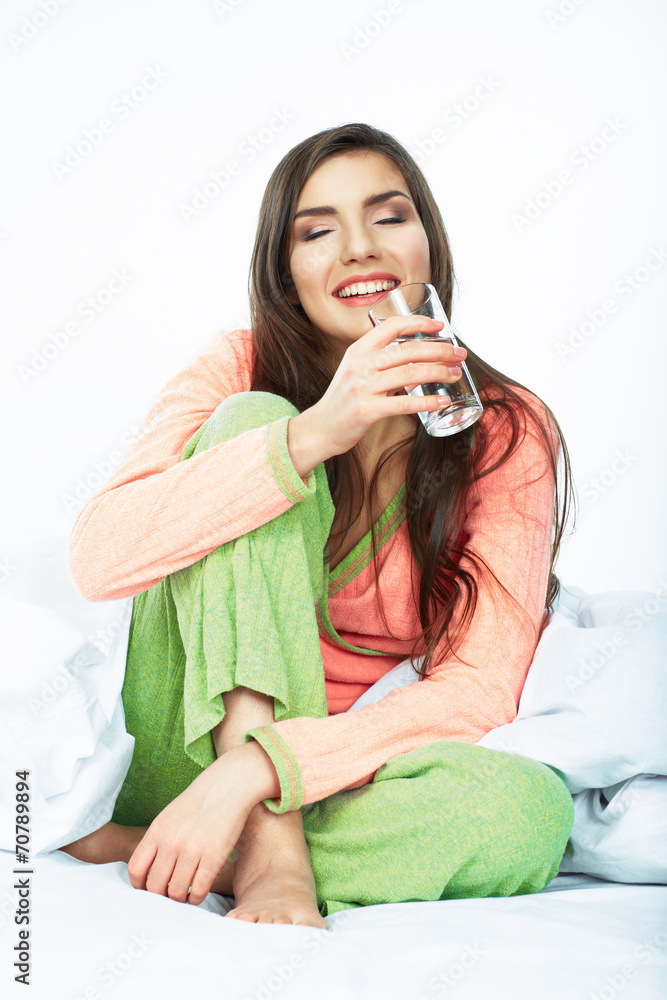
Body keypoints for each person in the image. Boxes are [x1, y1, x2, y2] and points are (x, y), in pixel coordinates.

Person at [62, 122, 576, 928]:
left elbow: (479, 686)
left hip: (319, 775)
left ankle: (174, 843)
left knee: (528, 814)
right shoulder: (238, 366)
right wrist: (309, 436)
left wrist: (258, 773)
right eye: (316, 231)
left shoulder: (505, 429)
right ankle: (265, 860)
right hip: (185, 743)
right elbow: (98, 559)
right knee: (248, 422)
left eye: (388, 216)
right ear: (284, 271)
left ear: (429, 245)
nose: (358, 249)